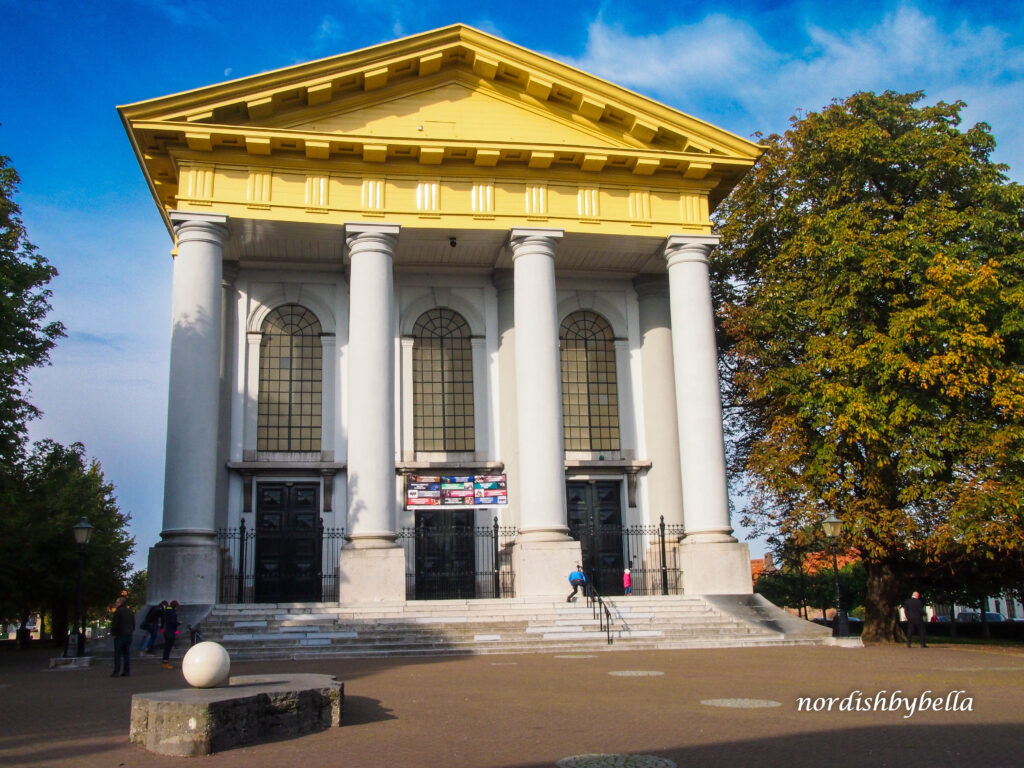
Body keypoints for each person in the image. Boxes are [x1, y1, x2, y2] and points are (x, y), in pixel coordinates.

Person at [110, 596, 135, 677]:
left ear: (120, 603)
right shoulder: (130, 611)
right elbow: (133, 624)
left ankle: (116, 671)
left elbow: (115, 624)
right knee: (126, 654)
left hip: (120, 635)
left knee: (117, 654)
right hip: (129, 635)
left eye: (117, 602)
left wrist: (113, 633)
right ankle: (126, 671)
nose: (116, 603)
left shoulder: (118, 612)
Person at [161, 600, 180, 669]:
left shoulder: (167, 611)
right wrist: (178, 623)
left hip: (167, 631)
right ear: (175, 606)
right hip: (170, 632)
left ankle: (165, 662)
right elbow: (173, 622)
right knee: (168, 648)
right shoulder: (172, 613)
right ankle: (165, 663)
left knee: (167, 648)